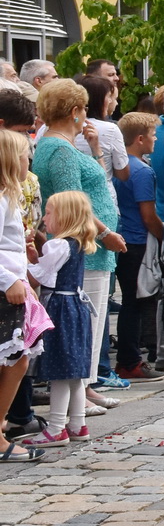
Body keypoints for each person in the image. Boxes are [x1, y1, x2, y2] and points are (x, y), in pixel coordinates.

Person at [32, 81, 127, 398]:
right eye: (84, 108)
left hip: (92, 243)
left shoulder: (62, 144)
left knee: (94, 320)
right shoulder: (59, 149)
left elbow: (94, 183)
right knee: (87, 320)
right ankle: (79, 391)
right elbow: (72, 202)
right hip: (87, 246)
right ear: (74, 111)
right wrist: (105, 233)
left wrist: (96, 148)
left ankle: (86, 386)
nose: (86, 113)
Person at [20, 192, 103, 448]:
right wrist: (36, 259)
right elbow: (49, 270)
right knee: (74, 372)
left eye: (48, 213)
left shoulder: (58, 245)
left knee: (59, 370)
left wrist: (23, 262)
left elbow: (39, 277)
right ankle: (77, 423)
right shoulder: (77, 243)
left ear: (64, 216)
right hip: (75, 308)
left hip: (60, 309)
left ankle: (56, 427)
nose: (44, 219)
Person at [113, 113, 164, 383]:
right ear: (140, 139)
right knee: (136, 303)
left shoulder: (118, 166)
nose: (156, 139)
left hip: (122, 238)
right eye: (153, 135)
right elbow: (148, 215)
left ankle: (129, 358)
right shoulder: (143, 171)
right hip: (137, 241)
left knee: (129, 302)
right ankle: (130, 360)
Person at [0, 131, 43, 462]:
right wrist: (10, 279)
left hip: (13, 286)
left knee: (18, 358)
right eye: (23, 154)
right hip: (6, 289)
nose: (28, 159)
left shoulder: (8, 196)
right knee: (15, 359)